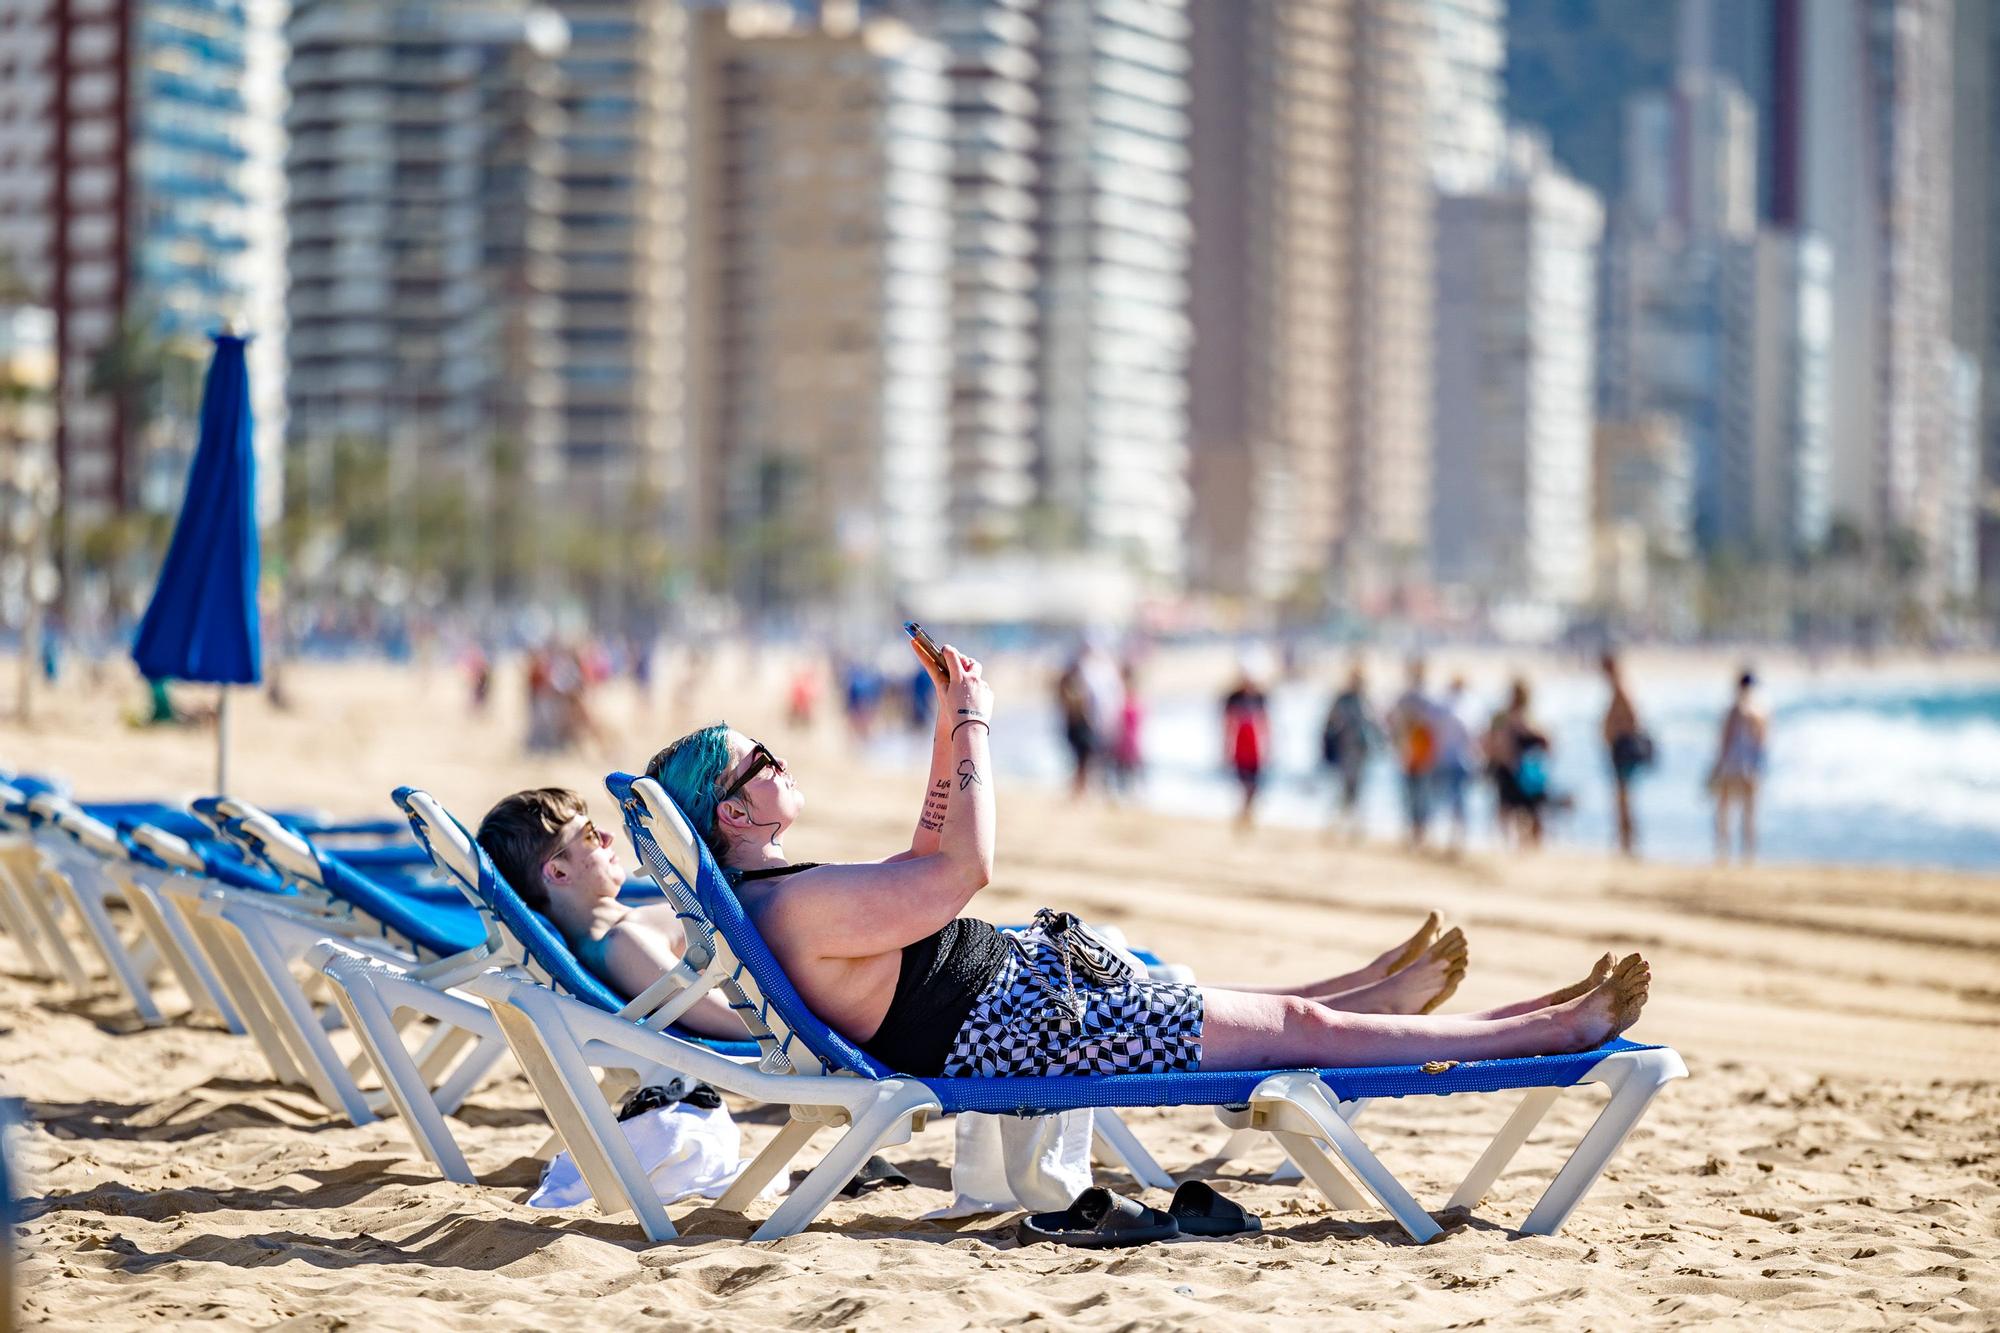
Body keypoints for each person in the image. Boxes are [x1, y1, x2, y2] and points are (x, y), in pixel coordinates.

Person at [631, 639, 1650, 1081]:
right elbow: (960, 872)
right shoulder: (793, 912)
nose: (779, 758)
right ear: (731, 811)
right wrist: (981, 720)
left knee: (1267, 1012)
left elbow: (921, 855)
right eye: (760, 761)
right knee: (1287, 1030)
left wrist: (948, 723)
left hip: (1023, 996)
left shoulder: (784, 896)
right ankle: (1551, 1027)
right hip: (1019, 1032)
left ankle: (1394, 996)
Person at [1709, 668, 1767, 863]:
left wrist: (1717, 765)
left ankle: (1723, 852)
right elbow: (1762, 743)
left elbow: (1724, 741)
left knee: (1725, 810)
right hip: (1750, 766)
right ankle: (1748, 855)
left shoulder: (1734, 710)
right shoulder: (1760, 711)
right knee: (1749, 812)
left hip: (1731, 765)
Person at [1486, 678, 1552, 847]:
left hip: (1517, 768)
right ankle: (1516, 843)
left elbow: (1491, 740)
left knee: (1514, 808)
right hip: (1517, 768)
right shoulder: (1520, 718)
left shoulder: (1511, 717)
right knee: (1521, 808)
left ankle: (1513, 842)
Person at [1386, 657, 1439, 848]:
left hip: (1412, 753)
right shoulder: (1425, 698)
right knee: (1418, 796)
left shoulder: (1408, 698)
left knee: (1413, 795)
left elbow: (1391, 721)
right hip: (1417, 753)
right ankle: (1417, 833)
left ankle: (1415, 832)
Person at [1601, 653, 1651, 857]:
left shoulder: (1621, 688)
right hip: (1618, 749)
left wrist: (1618, 732)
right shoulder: (1617, 688)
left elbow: (1633, 718)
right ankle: (1624, 840)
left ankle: (1628, 842)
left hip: (1623, 749)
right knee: (1622, 797)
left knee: (1624, 797)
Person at [1320, 664, 1375, 842]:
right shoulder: (1344, 699)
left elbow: (1374, 724)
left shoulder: (1365, 700)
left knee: (1354, 790)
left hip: (1360, 750)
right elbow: (1331, 722)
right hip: (1347, 749)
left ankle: (1348, 825)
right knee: (1347, 789)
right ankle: (1340, 824)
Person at [1220, 663, 1271, 830]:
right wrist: (1226, 748)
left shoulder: (1261, 698)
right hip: (1240, 749)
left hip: (1255, 749)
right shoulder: (1233, 698)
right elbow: (1227, 724)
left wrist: (1268, 748)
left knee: (1254, 786)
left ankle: (1245, 814)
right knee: (1245, 785)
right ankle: (1244, 815)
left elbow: (1266, 724)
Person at [1433, 676, 1479, 854]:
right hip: (1460, 760)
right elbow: (1471, 734)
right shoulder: (1466, 707)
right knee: (1459, 799)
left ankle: (1452, 836)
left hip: (1444, 758)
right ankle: (1458, 837)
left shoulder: (1443, 707)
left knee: (1450, 798)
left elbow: (1436, 733)